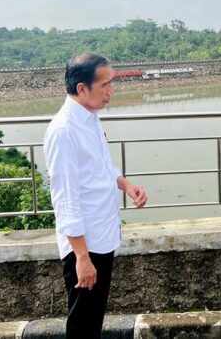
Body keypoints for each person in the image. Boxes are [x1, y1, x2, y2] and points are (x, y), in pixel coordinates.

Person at [44, 53, 148, 338]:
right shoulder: (64, 130)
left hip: (101, 237)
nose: (110, 90)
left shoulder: (90, 118)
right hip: (85, 244)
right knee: (82, 326)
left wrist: (125, 184)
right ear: (82, 89)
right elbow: (65, 199)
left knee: (92, 321)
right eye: (105, 84)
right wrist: (81, 257)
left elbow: (100, 167)